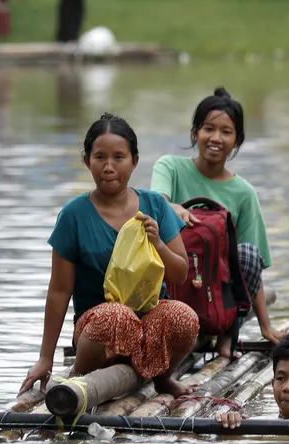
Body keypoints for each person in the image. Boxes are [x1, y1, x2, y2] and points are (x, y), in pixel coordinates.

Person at [20, 113, 200, 398]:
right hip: (99, 327)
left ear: (134, 162)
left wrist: (158, 245)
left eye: (119, 157)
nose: (109, 167)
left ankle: (162, 377)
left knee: (184, 317)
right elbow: (59, 290)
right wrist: (45, 358)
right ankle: (81, 377)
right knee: (118, 317)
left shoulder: (155, 205)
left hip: (149, 321)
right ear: (86, 161)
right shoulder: (73, 215)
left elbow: (180, 273)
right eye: (100, 157)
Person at [150, 86, 284, 359]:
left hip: (218, 297)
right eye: (208, 129)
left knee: (247, 253)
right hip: (174, 284)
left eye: (226, 132)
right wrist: (174, 208)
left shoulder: (243, 192)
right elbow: (156, 205)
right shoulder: (170, 168)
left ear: (237, 141)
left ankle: (226, 337)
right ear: (195, 132)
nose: (215, 138)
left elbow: (252, 268)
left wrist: (265, 326)